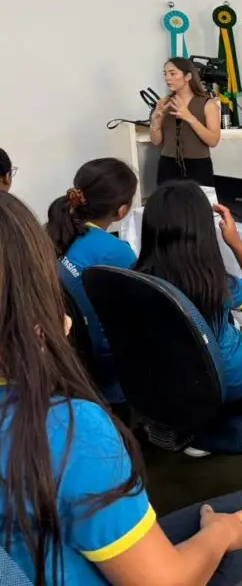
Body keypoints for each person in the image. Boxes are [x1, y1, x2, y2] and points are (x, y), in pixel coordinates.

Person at [0, 191, 242, 586]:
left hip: (83, 552)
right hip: (165, 566)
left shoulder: (133, 278)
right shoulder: (69, 431)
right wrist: (216, 536)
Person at [134, 181, 242, 453]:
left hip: (175, 381)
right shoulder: (217, 284)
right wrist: (236, 243)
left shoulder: (139, 277)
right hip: (233, 386)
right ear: (202, 232)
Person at [46, 158, 139, 406]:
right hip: (106, 367)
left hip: (69, 356)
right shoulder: (117, 253)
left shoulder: (55, 230)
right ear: (122, 211)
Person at [150, 57, 222, 187]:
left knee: (197, 206)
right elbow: (156, 141)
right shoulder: (164, 103)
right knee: (167, 205)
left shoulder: (208, 104)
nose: (167, 78)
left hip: (198, 166)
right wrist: (155, 120)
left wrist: (189, 117)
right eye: (165, 74)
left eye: (172, 73)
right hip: (167, 165)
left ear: (188, 76)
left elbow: (213, 141)